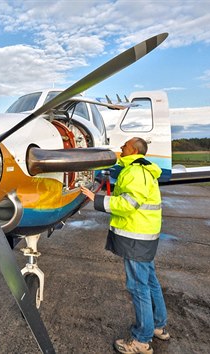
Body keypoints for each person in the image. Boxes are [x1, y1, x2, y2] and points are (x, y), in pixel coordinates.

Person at [80, 137, 169, 354]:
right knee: (150, 282)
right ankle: (158, 325)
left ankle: (141, 341)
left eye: (125, 145)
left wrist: (96, 198)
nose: (121, 147)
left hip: (135, 236)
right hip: (145, 235)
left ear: (135, 150)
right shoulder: (143, 170)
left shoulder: (135, 172)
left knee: (138, 287)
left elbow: (128, 204)